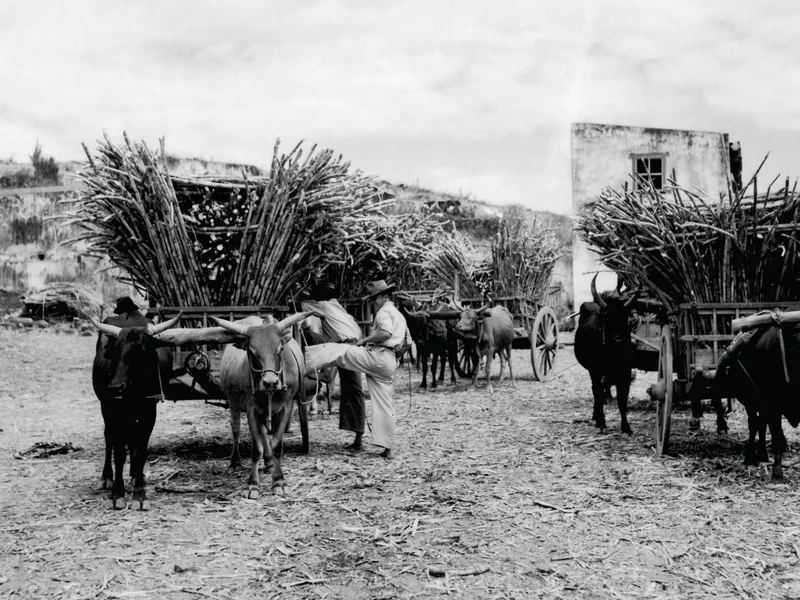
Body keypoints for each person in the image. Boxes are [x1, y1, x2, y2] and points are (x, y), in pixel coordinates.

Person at [304, 280, 408, 459]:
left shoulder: (383, 312)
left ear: (384, 297)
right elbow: (407, 342)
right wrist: (393, 358)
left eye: (375, 299)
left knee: (341, 350)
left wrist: (363, 341)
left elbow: (385, 333)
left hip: (377, 355)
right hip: (389, 361)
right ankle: (388, 449)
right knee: (385, 405)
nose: (373, 303)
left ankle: (304, 365)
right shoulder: (398, 314)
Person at [301, 281, 366, 451]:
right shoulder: (338, 307)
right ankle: (322, 373)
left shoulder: (324, 306)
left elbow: (304, 306)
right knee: (353, 390)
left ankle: (314, 370)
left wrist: (297, 299)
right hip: (352, 344)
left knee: (354, 391)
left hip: (345, 347)